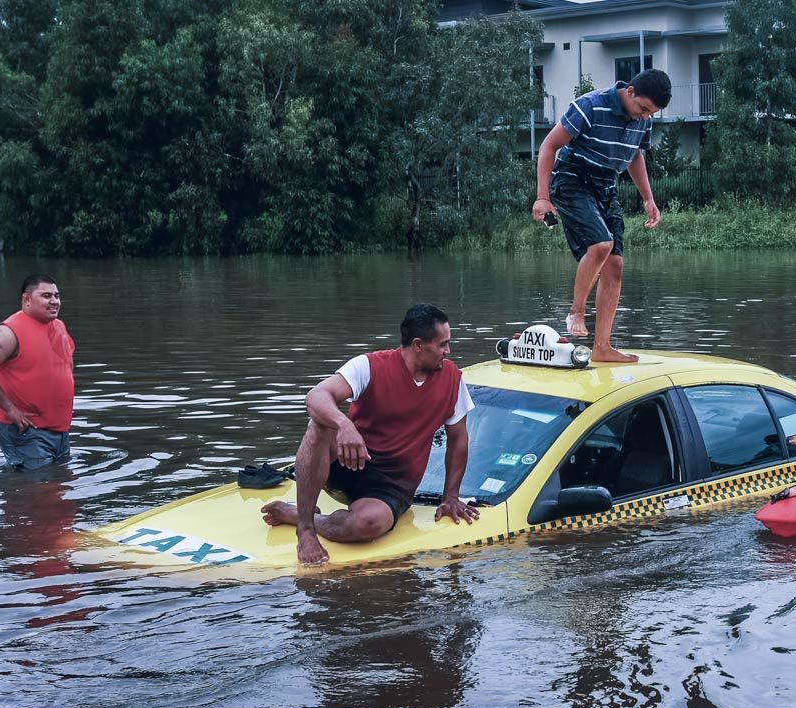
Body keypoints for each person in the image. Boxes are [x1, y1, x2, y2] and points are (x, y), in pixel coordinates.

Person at [261, 304, 478, 566]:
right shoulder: (369, 365)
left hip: (390, 485)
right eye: (442, 344)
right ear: (418, 345)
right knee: (319, 424)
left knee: (368, 525)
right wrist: (344, 424)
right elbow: (316, 396)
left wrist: (451, 497)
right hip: (348, 461)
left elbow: (458, 439)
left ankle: (299, 515)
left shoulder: (453, 379)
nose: (448, 351)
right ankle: (305, 529)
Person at [532, 68, 672, 363]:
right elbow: (549, 145)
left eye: (651, 113)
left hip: (606, 185)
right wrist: (543, 197)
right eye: (643, 108)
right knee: (601, 245)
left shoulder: (641, 120)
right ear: (630, 92)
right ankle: (576, 311)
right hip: (572, 179)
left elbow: (634, 155)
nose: (645, 116)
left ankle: (602, 348)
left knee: (616, 264)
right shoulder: (591, 105)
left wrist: (648, 199)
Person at [0, 275, 76, 470]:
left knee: (59, 488)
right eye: (46, 295)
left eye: (57, 296)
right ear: (27, 299)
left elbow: (66, 365)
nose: (54, 301)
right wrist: (9, 409)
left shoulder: (59, 326)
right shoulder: (10, 331)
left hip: (59, 430)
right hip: (26, 431)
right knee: (37, 492)